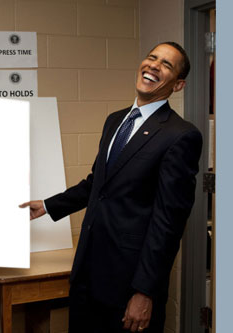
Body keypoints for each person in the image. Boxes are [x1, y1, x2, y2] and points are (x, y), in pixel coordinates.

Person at [20, 42, 203, 333]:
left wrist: (144, 292)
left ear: (178, 85)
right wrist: (47, 205)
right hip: (88, 275)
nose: (154, 65)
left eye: (166, 65)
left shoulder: (180, 136)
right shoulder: (115, 120)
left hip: (129, 285)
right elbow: (98, 184)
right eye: (152, 57)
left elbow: (169, 223)